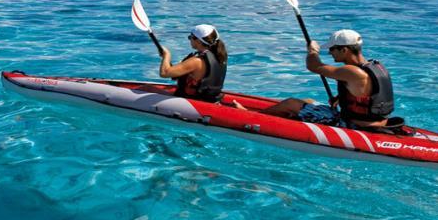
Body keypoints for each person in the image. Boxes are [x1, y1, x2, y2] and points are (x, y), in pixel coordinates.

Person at [234, 29, 394, 129]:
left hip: (353, 126)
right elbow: (367, 94)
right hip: (377, 122)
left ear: (344, 50)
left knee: (291, 103)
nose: (330, 53)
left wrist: (312, 51)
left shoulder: (351, 71)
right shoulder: (375, 66)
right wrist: (342, 98)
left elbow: (314, 67)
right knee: (309, 101)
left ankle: (252, 116)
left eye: (332, 49)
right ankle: (284, 118)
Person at [159, 24, 227, 102]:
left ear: (198, 41)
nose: (189, 40)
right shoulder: (220, 56)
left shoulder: (196, 61)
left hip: (191, 101)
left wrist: (166, 55)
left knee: (145, 88)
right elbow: (175, 74)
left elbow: (164, 73)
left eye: (190, 37)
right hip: (211, 99)